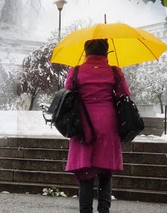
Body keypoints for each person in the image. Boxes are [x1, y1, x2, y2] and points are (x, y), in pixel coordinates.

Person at [64, 38, 131, 213]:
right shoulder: (114, 71)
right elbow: (125, 94)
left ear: (86, 52)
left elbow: (68, 92)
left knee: (86, 172)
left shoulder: (76, 71)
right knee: (105, 172)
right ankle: (104, 210)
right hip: (108, 124)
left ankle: (85, 210)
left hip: (83, 126)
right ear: (106, 52)